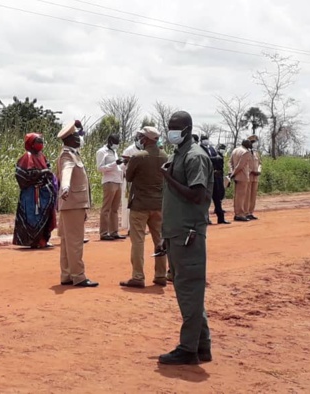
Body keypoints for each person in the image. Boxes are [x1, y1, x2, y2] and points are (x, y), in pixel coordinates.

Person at [157, 111, 214, 365]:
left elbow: (198, 195)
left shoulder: (194, 156)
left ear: (188, 129)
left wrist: (168, 178)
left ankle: (188, 349)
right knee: (189, 291)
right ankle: (201, 346)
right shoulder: (179, 154)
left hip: (188, 234)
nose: (172, 131)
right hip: (176, 233)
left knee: (189, 291)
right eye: (169, 127)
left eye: (176, 127)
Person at [120, 126, 168, 288]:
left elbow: (130, 177)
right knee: (159, 240)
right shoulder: (165, 156)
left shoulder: (138, 156)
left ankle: (138, 276)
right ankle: (161, 275)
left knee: (138, 241)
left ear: (146, 139)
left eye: (141, 137)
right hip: (159, 204)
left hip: (140, 204)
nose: (139, 139)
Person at [56, 121, 98, 287]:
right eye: (76, 136)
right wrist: (65, 187)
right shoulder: (67, 155)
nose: (80, 138)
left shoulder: (72, 152)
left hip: (71, 204)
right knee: (75, 241)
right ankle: (78, 276)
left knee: (67, 241)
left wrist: (79, 127)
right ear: (70, 139)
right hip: (73, 204)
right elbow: (66, 171)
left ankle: (67, 274)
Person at [13, 133, 58, 249]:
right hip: (31, 194)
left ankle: (43, 240)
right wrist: (41, 173)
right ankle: (33, 241)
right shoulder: (26, 157)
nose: (40, 144)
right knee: (32, 217)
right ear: (31, 144)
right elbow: (22, 175)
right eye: (38, 142)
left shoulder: (42, 156)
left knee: (46, 216)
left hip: (44, 192)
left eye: (41, 142)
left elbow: (48, 168)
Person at [95, 134, 125, 241]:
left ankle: (114, 231)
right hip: (109, 182)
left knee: (115, 209)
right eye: (115, 143)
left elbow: (117, 167)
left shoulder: (114, 152)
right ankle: (104, 233)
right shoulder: (102, 152)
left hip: (118, 181)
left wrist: (122, 164)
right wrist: (114, 163)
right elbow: (100, 168)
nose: (117, 145)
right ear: (110, 141)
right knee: (106, 208)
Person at [120, 131, 143, 233]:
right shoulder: (129, 150)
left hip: (140, 181)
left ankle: (137, 226)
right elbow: (121, 166)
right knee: (128, 204)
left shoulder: (144, 150)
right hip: (129, 181)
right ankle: (129, 227)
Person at [229, 139, 252, 222]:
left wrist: (231, 172)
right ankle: (240, 214)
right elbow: (240, 166)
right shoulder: (245, 152)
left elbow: (230, 162)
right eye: (249, 143)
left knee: (237, 196)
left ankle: (237, 213)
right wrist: (233, 173)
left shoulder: (235, 150)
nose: (250, 144)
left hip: (236, 176)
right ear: (246, 144)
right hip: (243, 176)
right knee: (241, 197)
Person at [246, 135, 262, 220]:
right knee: (247, 195)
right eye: (253, 142)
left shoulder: (256, 153)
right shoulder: (245, 152)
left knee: (253, 195)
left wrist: (259, 170)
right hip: (248, 176)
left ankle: (251, 212)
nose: (255, 144)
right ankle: (245, 212)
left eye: (255, 142)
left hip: (256, 177)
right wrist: (250, 171)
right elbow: (244, 164)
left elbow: (259, 163)